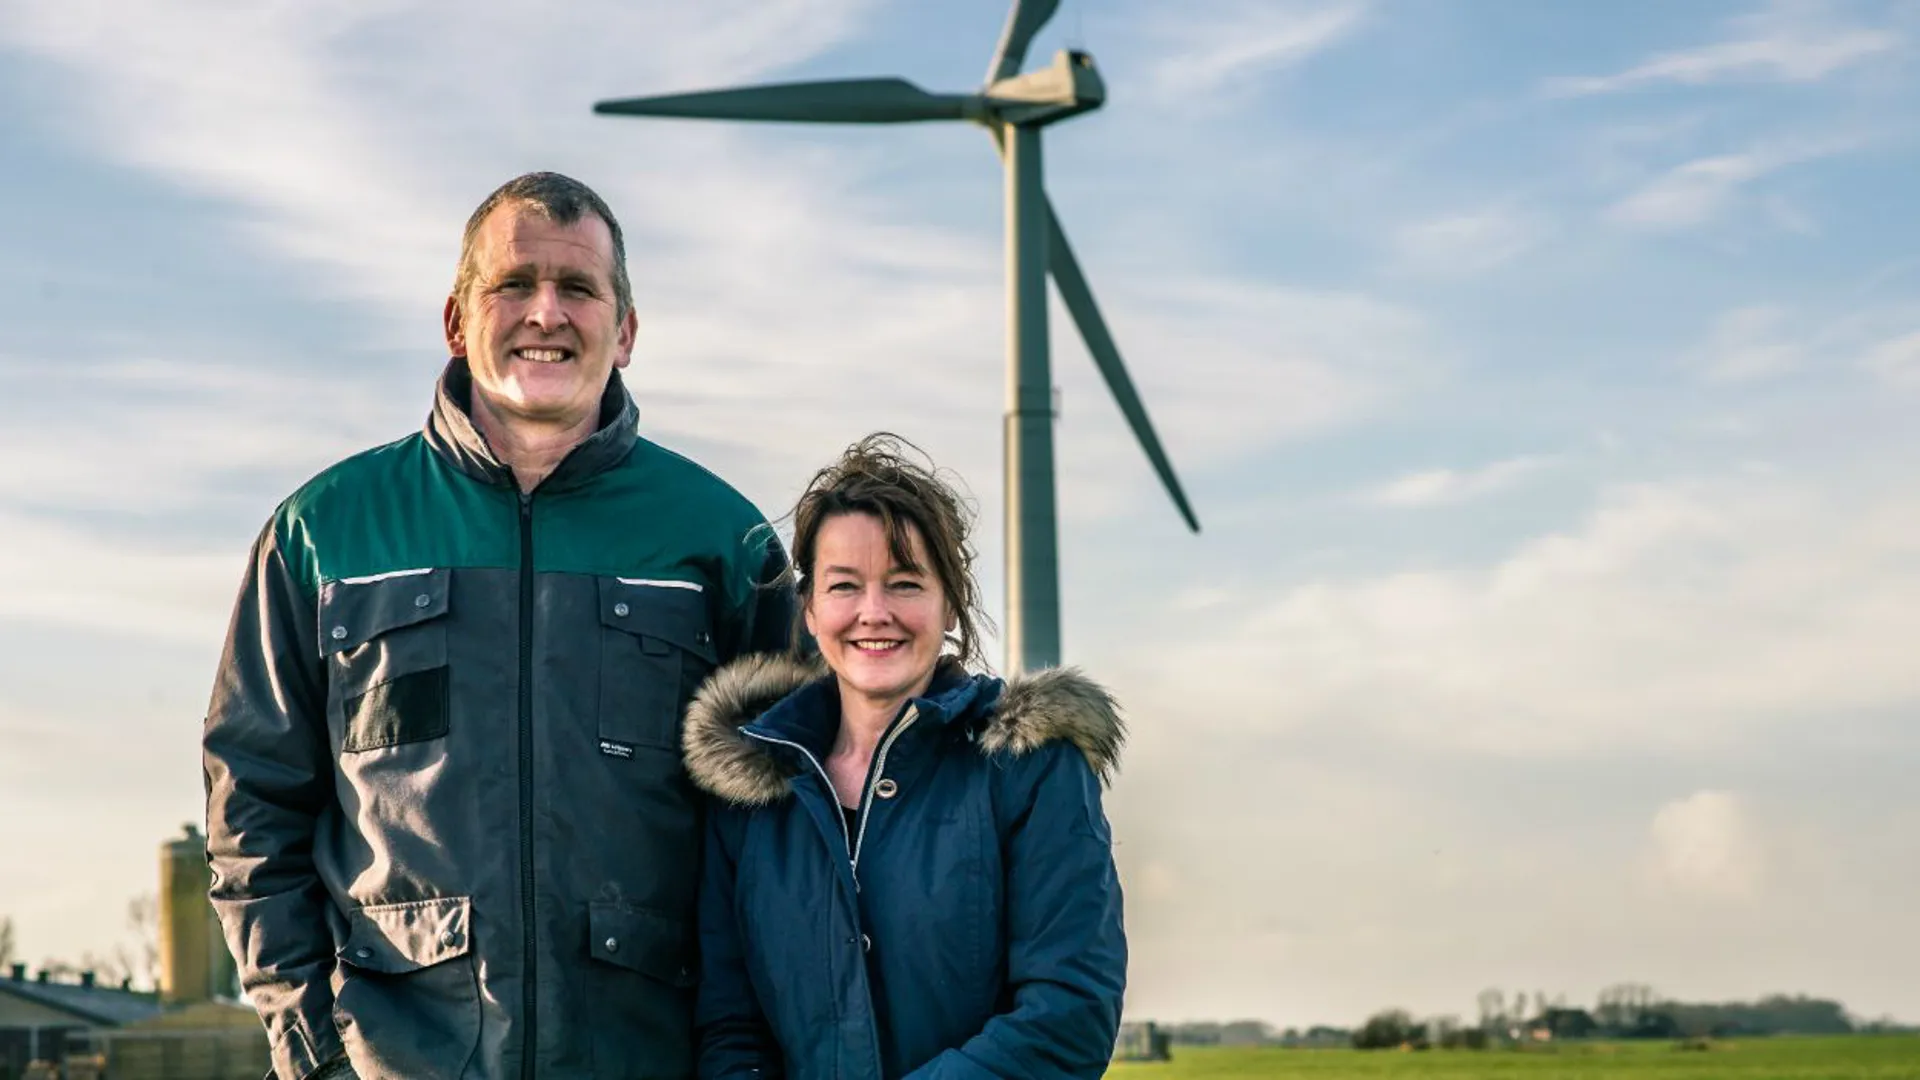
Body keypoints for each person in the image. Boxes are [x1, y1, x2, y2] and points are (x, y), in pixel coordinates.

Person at [202, 171, 792, 1080]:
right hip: (391, 1060)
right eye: (512, 284)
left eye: (579, 289)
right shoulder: (324, 533)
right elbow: (254, 810)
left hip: (651, 1057)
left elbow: (790, 821)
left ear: (625, 331)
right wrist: (312, 1052)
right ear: (456, 320)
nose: (545, 313)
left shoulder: (723, 541)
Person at [683, 434, 1127, 1078]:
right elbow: (731, 1030)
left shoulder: (1031, 766)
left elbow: (1069, 1015)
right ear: (809, 611)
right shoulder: (751, 794)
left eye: (905, 583)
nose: (875, 612)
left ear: (951, 602)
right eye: (844, 586)